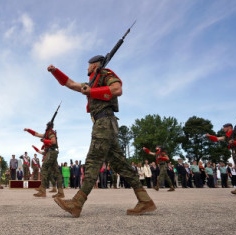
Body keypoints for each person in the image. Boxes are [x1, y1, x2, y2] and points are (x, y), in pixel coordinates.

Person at [48, 56, 156, 217]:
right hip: (105, 124)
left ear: (94, 65)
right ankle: (145, 200)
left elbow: (117, 89)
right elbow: (70, 84)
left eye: (88, 66)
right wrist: (55, 72)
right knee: (121, 165)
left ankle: (77, 203)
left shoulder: (105, 73)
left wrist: (92, 91)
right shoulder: (91, 82)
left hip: (104, 122)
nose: (86, 69)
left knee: (92, 161)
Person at [24, 122, 65, 198]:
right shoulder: (47, 134)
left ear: (48, 126)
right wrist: (28, 130)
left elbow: (53, 141)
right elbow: (36, 134)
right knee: (57, 172)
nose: (45, 126)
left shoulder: (50, 133)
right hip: (52, 152)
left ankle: (43, 190)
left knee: (44, 169)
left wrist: (44, 141)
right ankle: (60, 192)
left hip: (51, 152)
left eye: (46, 125)